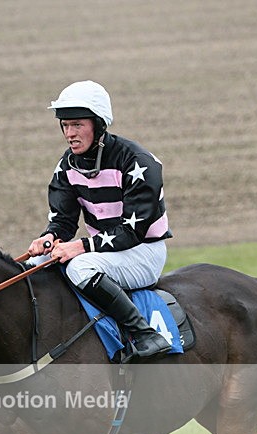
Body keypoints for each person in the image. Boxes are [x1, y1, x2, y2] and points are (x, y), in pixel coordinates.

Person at [28, 80, 172, 359]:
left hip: (142, 251)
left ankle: (145, 334)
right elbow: (63, 223)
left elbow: (132, 232)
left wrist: (80, 246)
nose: (70, 134)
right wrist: (49, 238)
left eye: (78, 125)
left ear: (98, 124)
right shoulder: (67, 166)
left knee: (79, 268)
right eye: (65, 126)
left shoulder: (138, 162)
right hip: (105, 251)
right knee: (36, 265)